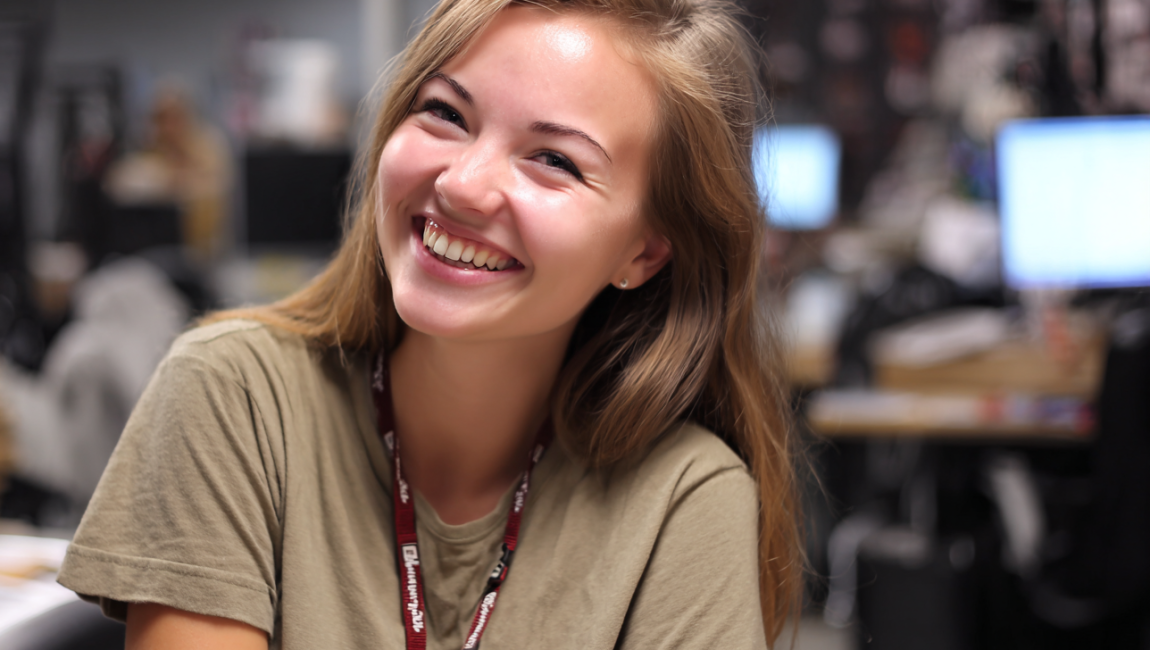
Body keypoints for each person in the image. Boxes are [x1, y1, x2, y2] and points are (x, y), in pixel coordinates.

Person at [57, 0, 802, 648]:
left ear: (643, 251)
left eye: (553, 160)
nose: (463, 185)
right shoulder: (234, 397)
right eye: (445, 113)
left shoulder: (685, 496)